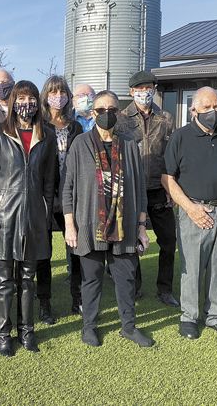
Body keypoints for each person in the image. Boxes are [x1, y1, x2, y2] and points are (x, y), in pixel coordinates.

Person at [63, 90, 154, 348]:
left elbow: (140, 188)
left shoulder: (129, 145)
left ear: (119, 112)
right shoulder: (80, 144)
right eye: (101, 110)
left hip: (123, 226)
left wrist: (141, 227)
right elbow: (68, 188)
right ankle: (89, 326)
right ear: (93, 113)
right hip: (90, 226)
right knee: (90, 279)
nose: (107, 114)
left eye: (112, 109)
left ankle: (129, 327)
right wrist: (70, 226)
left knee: (125, 279)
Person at [162, 87, 217, 340]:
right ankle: (189, 317)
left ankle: (216, 317)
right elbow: (167, 178)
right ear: (193, 110)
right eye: (207, 107)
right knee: (192, 267)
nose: (213, 112)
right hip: (195, 211)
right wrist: (190, 208)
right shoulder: (181, 137)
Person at [0, 80, 56, 357]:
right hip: (4, 214)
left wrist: (46, 214)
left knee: (28, 277)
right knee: (4, 280)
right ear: (13, 102)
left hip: (34, 216)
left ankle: (27, 331)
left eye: (32, 98)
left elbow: (49, 182)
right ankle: (3, 333)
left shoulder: (46, 135)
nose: (27, 104)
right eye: (21, 98)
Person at [116, 70, 179, 307]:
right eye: (140, 89)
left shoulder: (166, 118)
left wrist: (173, 188)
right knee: (131, 242)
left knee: (168, 241)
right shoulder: (121, 119)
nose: (145, 92)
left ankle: (165, 289)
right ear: (132, 91)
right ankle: (135, 287)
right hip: (132, 190)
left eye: (149, 87)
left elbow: (171, 156)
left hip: (159, 189)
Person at [39, 75, 84, 319]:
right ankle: (44, 301)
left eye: (62, 92)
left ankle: (77, 298)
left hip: (71, 194)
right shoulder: (39, 125)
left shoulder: (75, 126)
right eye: (54, 92)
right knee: (43, 252)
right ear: (46, 96)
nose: (58, 97)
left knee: (75, 248)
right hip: (45, 195)